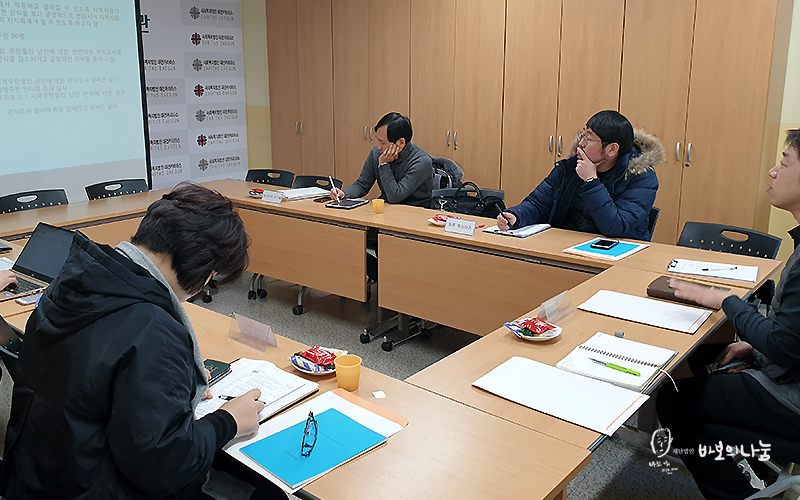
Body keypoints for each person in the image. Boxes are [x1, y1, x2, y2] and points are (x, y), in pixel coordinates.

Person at [0, 184, 273, 499]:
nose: (203, 287)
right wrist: (229, 421)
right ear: (196, 264)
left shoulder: (75, 279)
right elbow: (165, 467)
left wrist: (175, 381)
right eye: (210, 275)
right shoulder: (153, 329)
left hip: (38, 474)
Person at [657, 129, 800, 500]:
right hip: (788, 370)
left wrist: (724, 300)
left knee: (672, 400)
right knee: (702, 358)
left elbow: (784, 346)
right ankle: (756, 474)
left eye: (784, 163)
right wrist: (754, 347)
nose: (773, 171)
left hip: (793, 397)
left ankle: (739, 492)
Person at [497, 110, 663, 241]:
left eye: (588, 139)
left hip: (616, 254)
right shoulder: (570, 167)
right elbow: (539, 203)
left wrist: (591, 181)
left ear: (612, 149)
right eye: (583, 136)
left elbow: (616, 227)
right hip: (567, 246)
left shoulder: (641, 178)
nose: (581, 144)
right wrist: (517, 215)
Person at [331, 112, 433, 207]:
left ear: (401, 143)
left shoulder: (421, 161)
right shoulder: (377, 153)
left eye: (383, 143)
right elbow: (362, 185)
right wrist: (344, 193)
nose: (378, 147)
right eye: (378, 141)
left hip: (414, 212)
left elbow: (395, 196)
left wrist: (384, 164)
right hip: (386, 209)